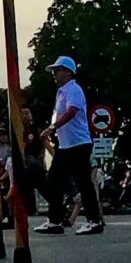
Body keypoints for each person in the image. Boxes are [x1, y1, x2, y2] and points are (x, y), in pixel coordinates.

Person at [37, 55, 104, 235]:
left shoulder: (74, 89)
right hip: (66, 145)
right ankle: (55, 221)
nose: (54, 74)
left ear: (67, 72)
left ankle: (94, 220)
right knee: (53, 180)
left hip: (78, 144)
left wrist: (52, 128)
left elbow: (72, 111)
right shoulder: (61, 92)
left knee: (83, 182)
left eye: (57, 70)